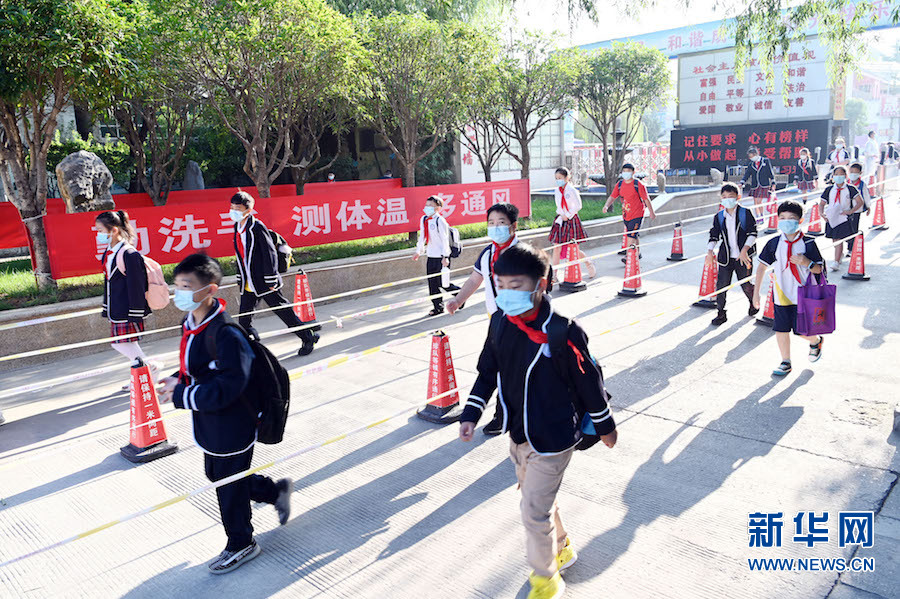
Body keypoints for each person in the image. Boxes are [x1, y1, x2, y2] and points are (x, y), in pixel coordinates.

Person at [458, 243, 617, 599]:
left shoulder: (562, 330)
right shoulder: (500, 321)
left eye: (516, 286)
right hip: (518, 436)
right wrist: (471, 412)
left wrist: (605, 427)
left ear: (540, 285)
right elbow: (488, 371)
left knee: (532, 511)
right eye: (500, 285)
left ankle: (545, 582)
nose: (506, 293)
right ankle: (561, 546)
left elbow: (588, 380)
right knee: (538, 502)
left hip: (554, 438)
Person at [158, 254, 292, 575]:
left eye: (186, 287)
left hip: (232, 423)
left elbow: (229, 386)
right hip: (209, 421)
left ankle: (242, 542)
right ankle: (274, 491)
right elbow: (200, 367)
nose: (179, 293)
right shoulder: (191, 323)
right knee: (220, 476)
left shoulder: (227, 334)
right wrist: (179, 378)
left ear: (210, 290)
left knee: (227, 485)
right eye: (176, 285)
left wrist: (181, 394)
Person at [446, 202, 521, 436]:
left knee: (515, 372)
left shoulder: (523, 253)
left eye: (501, 223)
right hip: (497, 322)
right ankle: (490, 416)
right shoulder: (487, 253)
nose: (495, 227)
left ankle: (506, 416)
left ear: (513, 226)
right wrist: (458, 301)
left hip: (521, 324)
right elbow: (473, 281)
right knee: (490, 368)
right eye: (491, 223)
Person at [229, 191, 318, 356]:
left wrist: (271, 280)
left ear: (248, 211)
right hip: (249, 283)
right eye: (232, 207)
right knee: (244, 319)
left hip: (264, 281)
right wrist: (240, 277)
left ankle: (308, 337)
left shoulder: (257, 227)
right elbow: (240, 256)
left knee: (284, 313)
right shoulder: (237, 227)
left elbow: (269, 254)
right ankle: (251, 347)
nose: (233, 211)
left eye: (237, 208)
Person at [752, 201, 825, 377]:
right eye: (782, 218)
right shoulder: (774, 243)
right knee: (781, 329)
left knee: (801, 330)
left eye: (791, 218)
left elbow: (819, 269)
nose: (786, 221)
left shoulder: (808, 243)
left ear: (800, 220)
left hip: (803, 294)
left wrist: (807, 262)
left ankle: (815, 341)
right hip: (782, 293)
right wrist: (756, 294)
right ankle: (786, 362)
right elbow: (761, 267)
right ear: (777, 219)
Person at [96, 210, 158, 388]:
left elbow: (137, 286)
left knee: (121, 344)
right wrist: (107, 307)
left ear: (114, 230)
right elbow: (109, 283)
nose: (98, 235)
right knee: (125, 344)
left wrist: (135, 313)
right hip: (116, 308)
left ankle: (149, 368)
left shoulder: (129, 254)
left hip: (127, 309)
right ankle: (142, 376)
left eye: (100, 231)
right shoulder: (110, 253)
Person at [705, 183, 758, 326]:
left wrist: (744, 250)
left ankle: (753, 302)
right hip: (725, 257)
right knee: (721, 286)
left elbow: (753, 233)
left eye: (730, 197)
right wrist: (710, 251)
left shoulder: (745, 213)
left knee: (745, 283)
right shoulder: (719, 216)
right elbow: (714, 235)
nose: (727, 199)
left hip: (743, 257)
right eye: (724, 197)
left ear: (738, 197)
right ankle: (721, 313)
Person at [413, 195, 458, 316]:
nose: (427, 208)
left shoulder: (440, 221)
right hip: (431, 256)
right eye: (426, 205)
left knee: (444, 283)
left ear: (438, 208)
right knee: (432, 283)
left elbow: (444, 240)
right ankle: (437, 307)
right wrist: (419, 251)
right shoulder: (424, 219)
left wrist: (445, 257)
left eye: (430, 206)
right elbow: (422, 236)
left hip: (441, 257)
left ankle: (460, 296)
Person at [603, 163, 657, 263]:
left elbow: (646, 199)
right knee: (633, 234)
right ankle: (637, 253)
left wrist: (651, 212)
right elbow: (612, 196)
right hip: (626, 215)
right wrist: (606, 205)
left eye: (628, 171)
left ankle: (628, 256)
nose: (626, 173)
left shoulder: (638, 184)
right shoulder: (619, 184)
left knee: (630, 234)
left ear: (633, 172)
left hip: (637, 214)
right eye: (624, 171)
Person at [548, 167, 596, 279]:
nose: (558, 180)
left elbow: (578, 206)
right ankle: (554, 274)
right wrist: (561, 215)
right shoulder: (557, 191)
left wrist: (568, 215)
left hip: (571, 220)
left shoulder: (572, 190)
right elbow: (558, 205)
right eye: (556, 178)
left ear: (567, 177)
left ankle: (588, 263)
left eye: (560, 178)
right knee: (556, 247)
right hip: (561, 219)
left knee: (573, 247)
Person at [818, 166, 862, 271]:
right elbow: (822, 204)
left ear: (845, 176)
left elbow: (860, 202)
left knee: (839, 239)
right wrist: (822, 214)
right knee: (835, 240)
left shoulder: (850, 189)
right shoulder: (829, 189)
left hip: (843, 218)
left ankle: (836, 261)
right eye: (836, 175)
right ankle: (839, 255)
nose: (838, 177)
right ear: (833, 177)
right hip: (832, 217)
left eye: (841, 174)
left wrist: (851, 211)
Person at [740, 146, 775, 222]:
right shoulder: (751, 164)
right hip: (755, 185)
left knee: (759, 201)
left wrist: (773, 182)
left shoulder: (765, 161)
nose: (750, 158)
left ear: (756, 154)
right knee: (755, 202)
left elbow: (770, 172)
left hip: (763, 184)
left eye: (751, 156)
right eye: (749, 157)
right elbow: (747, 174)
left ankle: (762, 216)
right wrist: (742, 182)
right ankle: (757, 216)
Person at [847, 162, 872, 254]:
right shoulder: (846, 183)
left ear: (860, 173)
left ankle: (851, 248)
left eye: (855, 172)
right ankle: (847, 244)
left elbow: (866, 196)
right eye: (851, 171)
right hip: (846, 210)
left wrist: (868, 207)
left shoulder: (862, 185)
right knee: (847, 228)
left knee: (854, 228)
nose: (853, 174)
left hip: (857, 210)